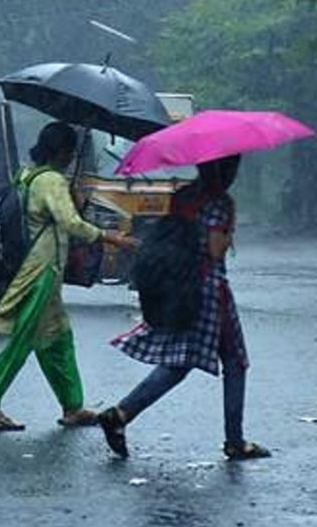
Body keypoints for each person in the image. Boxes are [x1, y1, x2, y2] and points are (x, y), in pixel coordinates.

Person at [96, 155, 271, 460]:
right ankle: (235, 440)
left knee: (179, 363)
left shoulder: (184, 195)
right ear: (226, 170)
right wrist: (230, 228)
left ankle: (121, 414)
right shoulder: (220, 203)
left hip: (181, 286)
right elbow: (215, 250)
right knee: (235, 361)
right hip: (210, 291)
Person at [0, 122, 136, 431]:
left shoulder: (28, 175)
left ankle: (72, 406)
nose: (72, 157)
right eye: (71, 151)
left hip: (41, 269)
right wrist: (110, 236)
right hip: (40, 272)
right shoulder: (51, 181)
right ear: (62, 151)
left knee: (58, 338)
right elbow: (72, 224)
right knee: (23, 338)